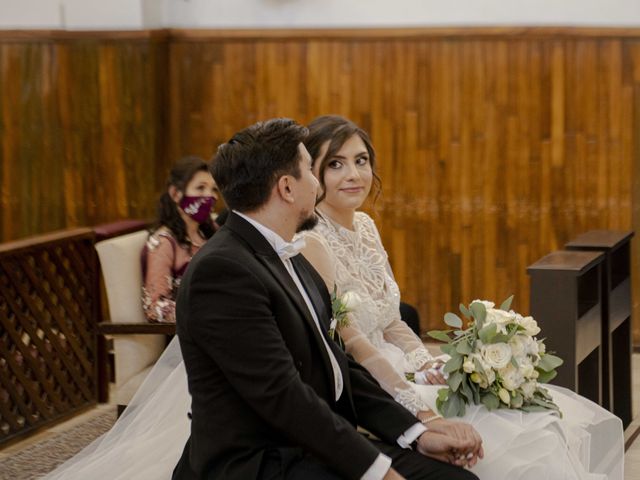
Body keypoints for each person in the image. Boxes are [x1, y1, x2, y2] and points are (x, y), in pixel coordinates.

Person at [298, 114, 624, 480]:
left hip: (402, 365)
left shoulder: (366, 227)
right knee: (513, 431)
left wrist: (428, 364)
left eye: (361, 161)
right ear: (312, 174)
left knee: (539, 420)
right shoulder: (312, 241)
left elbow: (391, 319)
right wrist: (410, 392)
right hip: (372, 383)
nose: (354, 174)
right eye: (336, 165)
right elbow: (353, 343)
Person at [172, 118, 483, 480]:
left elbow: (338, 366)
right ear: (287, 188)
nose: (317, 183)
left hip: (309, 443)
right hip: (261, 460)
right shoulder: (224, 271)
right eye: (310, 170)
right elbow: (283, 396)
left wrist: (417, 433)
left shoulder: (291, 253)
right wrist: (378, 472)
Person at [141, 156, 218, 323]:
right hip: (192, 335)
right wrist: (208, 314)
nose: (210, 196)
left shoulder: (211, 233)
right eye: (200, 188)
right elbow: (154, 306)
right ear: (176, 194)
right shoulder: (164, 243)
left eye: (214, 190)